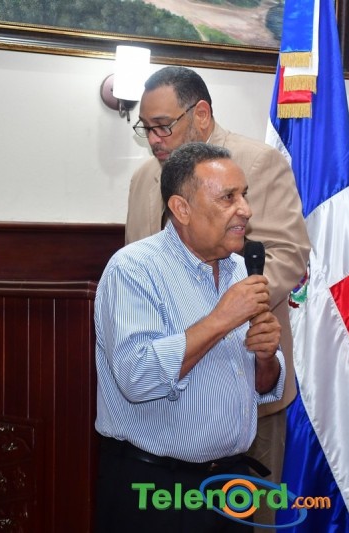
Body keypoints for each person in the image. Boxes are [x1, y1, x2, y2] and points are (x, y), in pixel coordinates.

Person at [125, 67, 310, 527]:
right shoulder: (144, 178)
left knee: (245, 520)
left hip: (244, 380)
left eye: (163, 126)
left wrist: (215, 314)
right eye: (146, 128)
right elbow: (136, 265)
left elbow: (287, 256)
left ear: (201, 114)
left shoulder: (257, 163)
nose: (154, 140)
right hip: (163, 390)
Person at [95, 143, 285, 532]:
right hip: (155, 489)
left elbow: (262, 386)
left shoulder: (240, 270)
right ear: (182, 209)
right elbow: (137, 377)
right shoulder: (134, 270)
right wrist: (221, 319)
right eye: (228, 197)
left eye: (244, 195)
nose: (245, 209)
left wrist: (267, 359)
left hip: (230, 486)